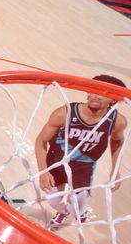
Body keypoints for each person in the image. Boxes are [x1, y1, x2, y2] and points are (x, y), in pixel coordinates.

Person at [35, 75, 127, 228]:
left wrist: (115, 171)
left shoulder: (117, 121)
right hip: (57, 162)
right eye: (95, 90)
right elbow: (41, 141)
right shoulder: (64, 113)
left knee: (77, 206)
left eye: (105, 94)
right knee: (53, 201)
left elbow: (117, 142)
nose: (97, 96)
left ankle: (79, 212)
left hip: (83, 166)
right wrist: (43, 171)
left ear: (114, 100)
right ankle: (62, 212)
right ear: (87, 91)